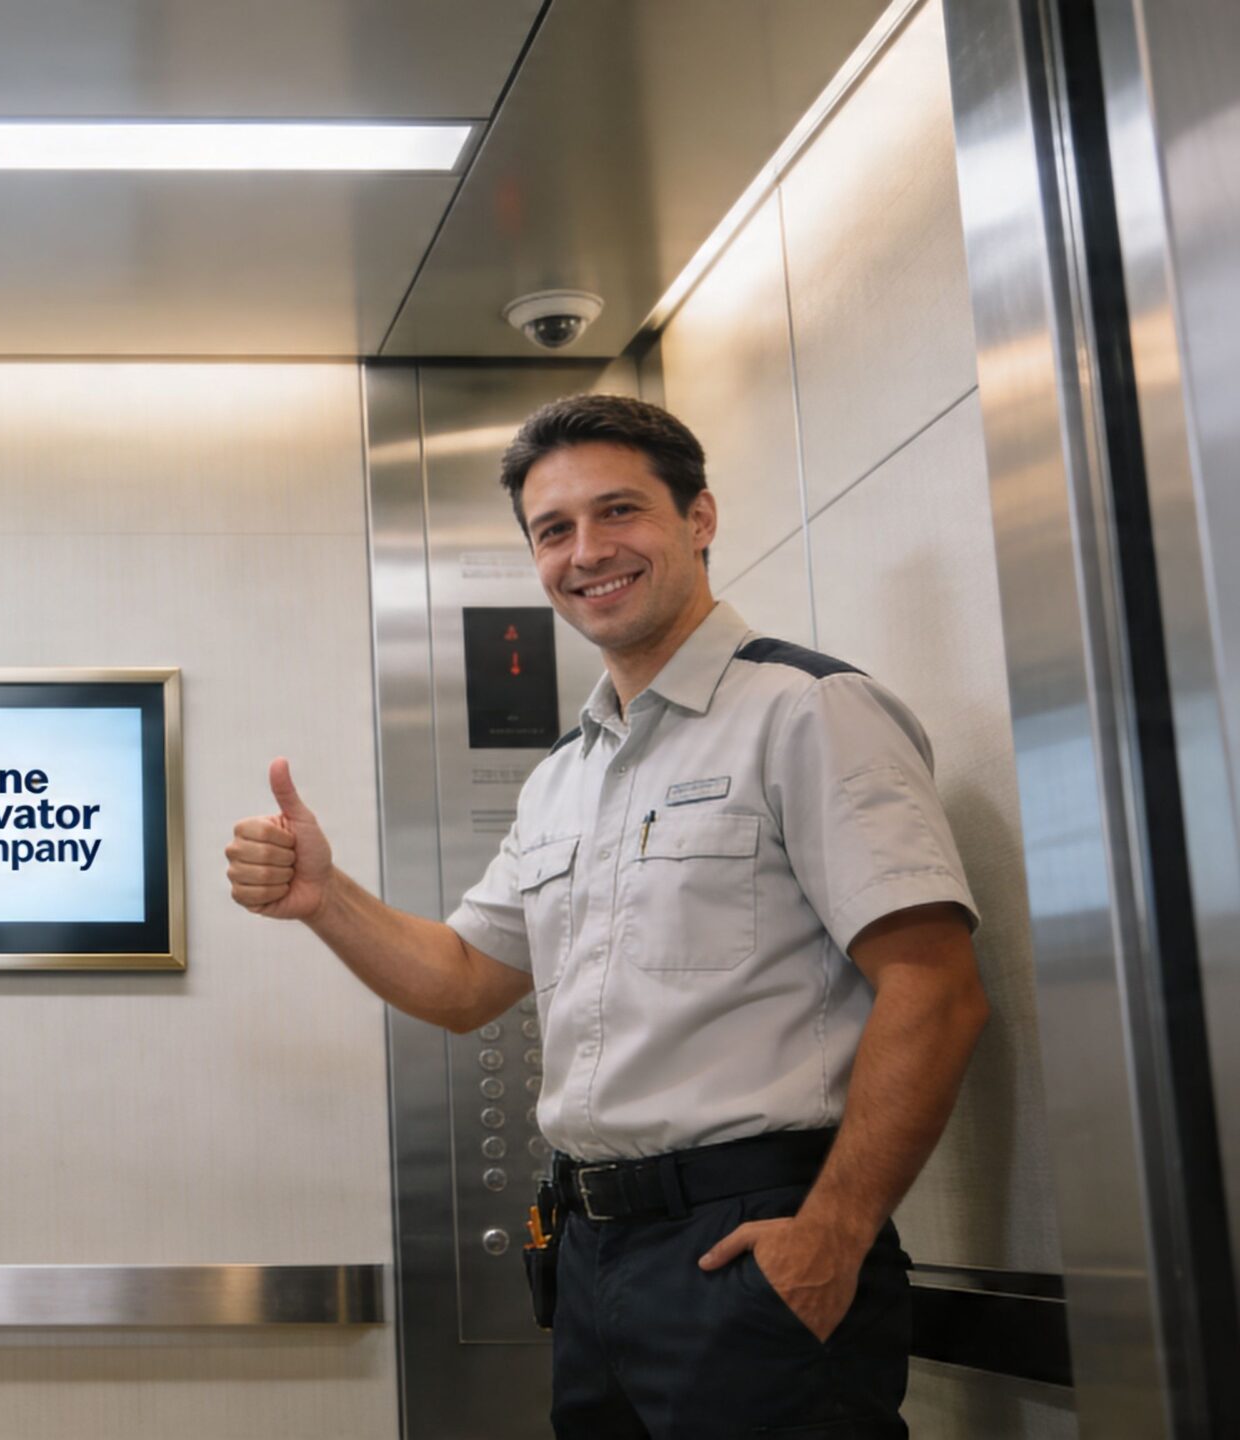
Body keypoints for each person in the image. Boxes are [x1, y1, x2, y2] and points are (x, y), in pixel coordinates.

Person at [227, 394, 989, 1438]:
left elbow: (934, 986)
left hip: (749, 1238)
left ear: (699, 518)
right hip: (590, 1261)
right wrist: (326, 899)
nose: (586, 552)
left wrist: (834, 1232)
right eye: (553, 530)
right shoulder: (562, 780)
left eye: (617, 512)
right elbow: (459, 982)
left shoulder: (805, 711)